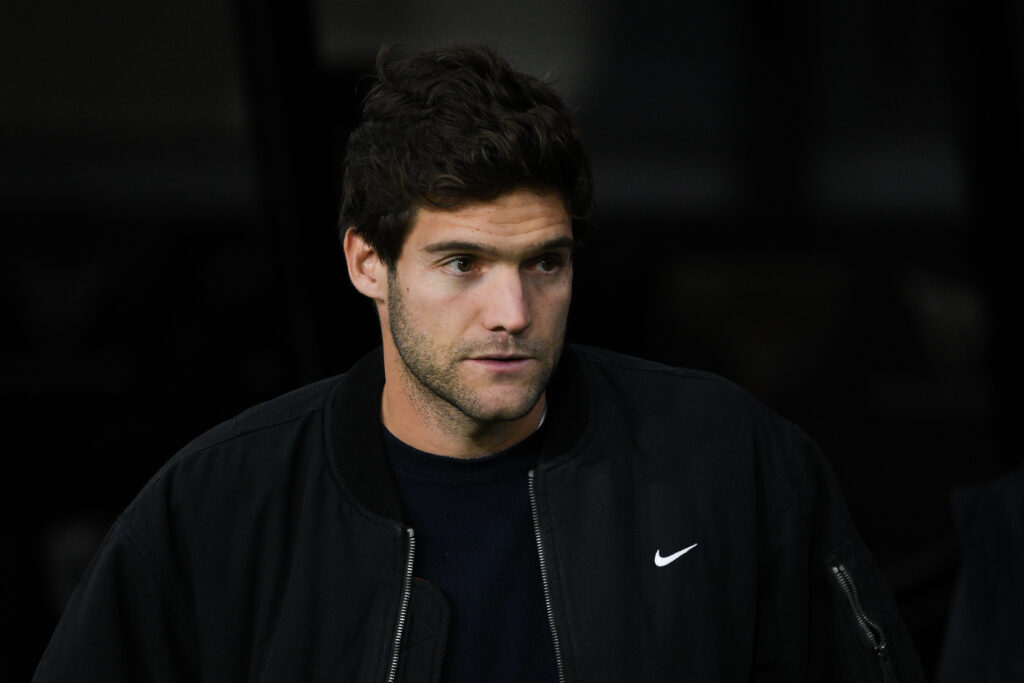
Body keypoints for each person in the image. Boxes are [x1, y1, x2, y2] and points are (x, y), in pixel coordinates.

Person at [33, 44, 926, 682]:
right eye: (463, 263)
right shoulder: (221, 508)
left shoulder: (726, 461)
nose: (513, 314)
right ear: (366, 263)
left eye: (546, 262)